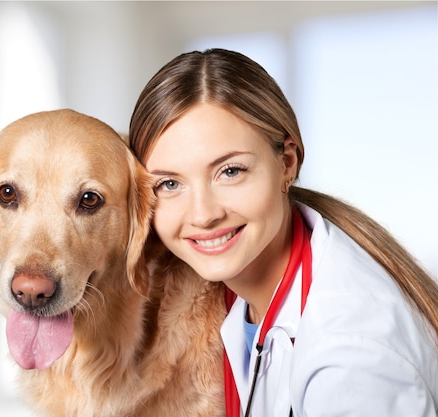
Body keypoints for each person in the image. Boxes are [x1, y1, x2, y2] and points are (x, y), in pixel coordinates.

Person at [128, 48, 438, 417]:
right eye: (168, 184)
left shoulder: (350, 362)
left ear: (287, 162)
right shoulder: (240, 294)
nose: (203, 214)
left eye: (230, 171)